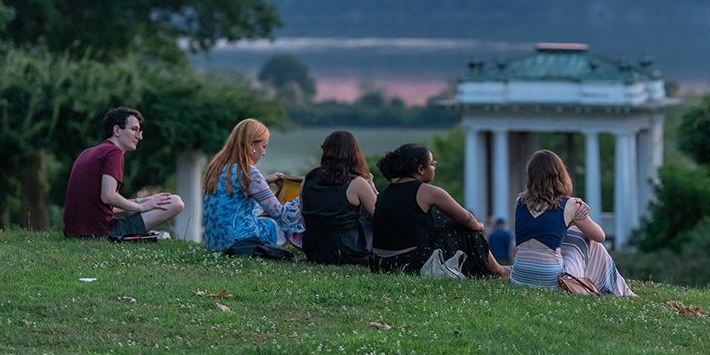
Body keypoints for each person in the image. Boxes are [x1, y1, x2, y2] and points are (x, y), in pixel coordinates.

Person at [370, 143, 510, 279]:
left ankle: (492, 270)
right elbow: (467, 218)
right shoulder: (428, 191)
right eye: (432, 164)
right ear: (421, 169)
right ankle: (498, 271)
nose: (434, 167)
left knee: (439, 217)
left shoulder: (386, 191)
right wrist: (480, 226)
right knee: (461, 224)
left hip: (380, 263)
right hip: (412, 262)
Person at [510, 150, 634, 295]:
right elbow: (600, 236)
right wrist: (579, 213)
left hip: (519, 277)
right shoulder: (569, 205)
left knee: (571, 232)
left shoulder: (520, 201)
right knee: (586, 238)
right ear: (559, 175)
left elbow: (544, 227)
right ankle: (620, 289)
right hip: (551, 280)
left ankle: (617, 288)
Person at [63, 107, 184, 239]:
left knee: (158, 202)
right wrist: (142, 206)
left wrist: (144, 200)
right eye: (134, 130)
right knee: (175, 202)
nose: (139, 136)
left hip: (74, 232)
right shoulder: (115, 153)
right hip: (102, 232)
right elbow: (108, 196)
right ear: (117, 130)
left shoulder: (87, 153)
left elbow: (105, 206)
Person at [202, 118, 303, 251]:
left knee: (256, 209)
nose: (264, 153)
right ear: (251, 145)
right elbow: (281, 214)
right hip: (238, 241)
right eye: (263, 146)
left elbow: (234, 189)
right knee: (278, 224)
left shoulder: (217, 167)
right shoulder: (249, 172)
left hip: (214, 242)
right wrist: (304, 192)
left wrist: (264, 180)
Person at [300, 130, 378, 265]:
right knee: (368, 211)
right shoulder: (357, 183)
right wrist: (373, 190)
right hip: (348, 251)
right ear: (354, 153)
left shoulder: (308, 178)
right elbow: (382, 218)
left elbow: (305, 223)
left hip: (314, 250)